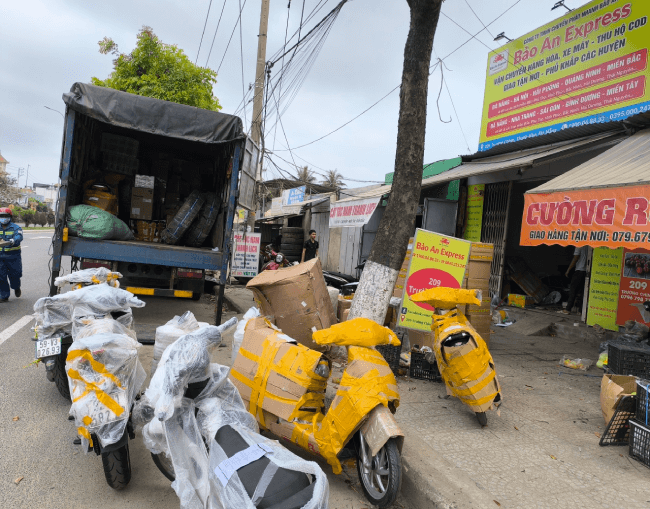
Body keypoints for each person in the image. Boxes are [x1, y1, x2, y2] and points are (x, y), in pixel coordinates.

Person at [0, 208, 23, 302]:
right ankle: (4, 296)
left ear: (10, 217)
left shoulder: (16, 227)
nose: (3, 218)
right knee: (1, 276)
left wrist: (13, 241)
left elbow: (19, 236)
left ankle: (16, 287)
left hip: (13, 257)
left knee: (15, 275)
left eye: (6, 216)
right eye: (1, 216)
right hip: (0, 256)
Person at [561, 245, 590, 314]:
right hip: (587, 271)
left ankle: (568, 309)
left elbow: (575, 258)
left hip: (579, 270)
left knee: (573, 290)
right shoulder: (589, 246)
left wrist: (568, 270)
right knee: (583, 292)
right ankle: (580, 311)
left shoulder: (579, 246)